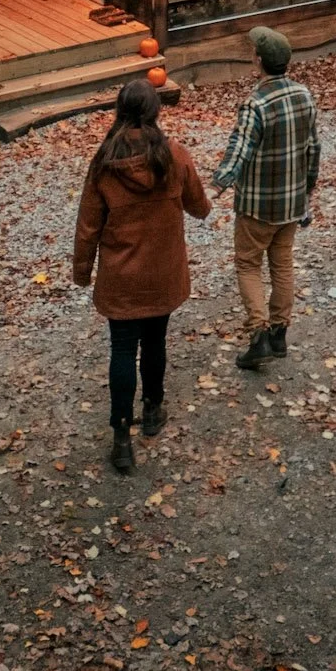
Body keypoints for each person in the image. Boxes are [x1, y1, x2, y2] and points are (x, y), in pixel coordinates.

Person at [73, 77, 210, 475]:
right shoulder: (174, 156)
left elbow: (87, 227)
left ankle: (121, 437)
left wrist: (83, 273)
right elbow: (199, 207)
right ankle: (152, 410)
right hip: (162, 273)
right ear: (155, 112)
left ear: (120, 111)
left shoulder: (104, 164)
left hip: (121, 277)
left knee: (121, 350)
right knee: (155, 342)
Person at [212, 26, 321, 373]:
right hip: (291, 203)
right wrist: (308, 190)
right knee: (282, 265)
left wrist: (217, 185)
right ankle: (279, 335)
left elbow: (238, 151)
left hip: (257, 206)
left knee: (248, 265)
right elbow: (313, 148)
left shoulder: (255, 103)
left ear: (258, 61)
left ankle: (258, 336)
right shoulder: (305, 95)